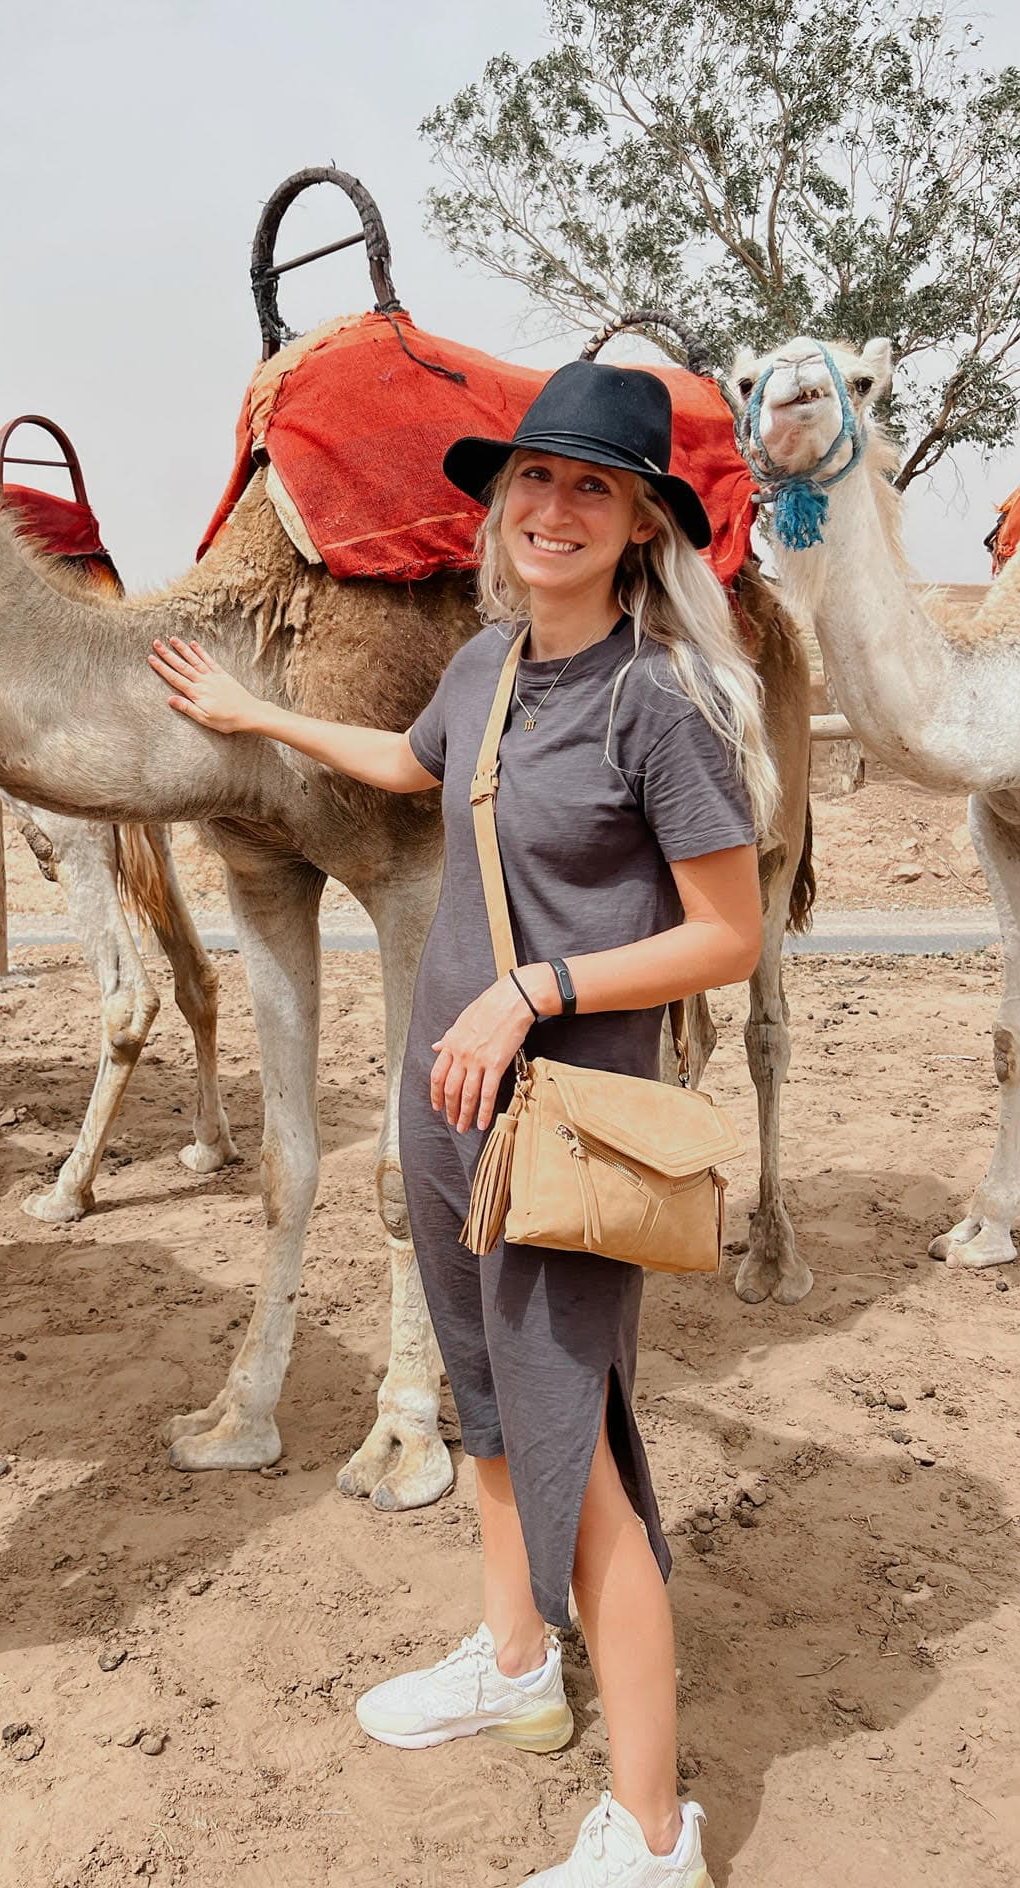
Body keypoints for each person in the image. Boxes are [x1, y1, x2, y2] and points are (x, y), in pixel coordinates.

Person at [148, 361, 771, 1888]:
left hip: (563, 1114)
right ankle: (512, 1663)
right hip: (448, 1099)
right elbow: (413, 768)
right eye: (532, 482)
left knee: (584, 1451)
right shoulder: (489, 668)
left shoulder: (657, 705)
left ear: (639, 527)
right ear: (497, 508)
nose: (552, 508)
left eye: (592, 489)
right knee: (487, 1402)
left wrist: (536, 987)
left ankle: (651, 1831)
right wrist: (254, 715)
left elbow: (730, 936)